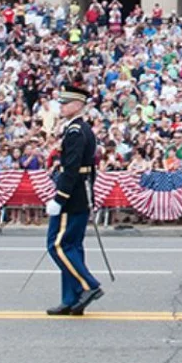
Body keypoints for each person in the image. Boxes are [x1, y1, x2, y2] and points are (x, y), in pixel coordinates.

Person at [45, 81, 104, 316]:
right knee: (72, 247)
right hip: (80, 192)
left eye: (66, 102)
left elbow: (72, 168)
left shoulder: (76, 131)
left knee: (58, 245)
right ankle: (71, 298)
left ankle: (89, 285)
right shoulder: (79, 129)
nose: (62, 105)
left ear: (78, 105)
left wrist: (59, 198)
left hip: (72, 195)